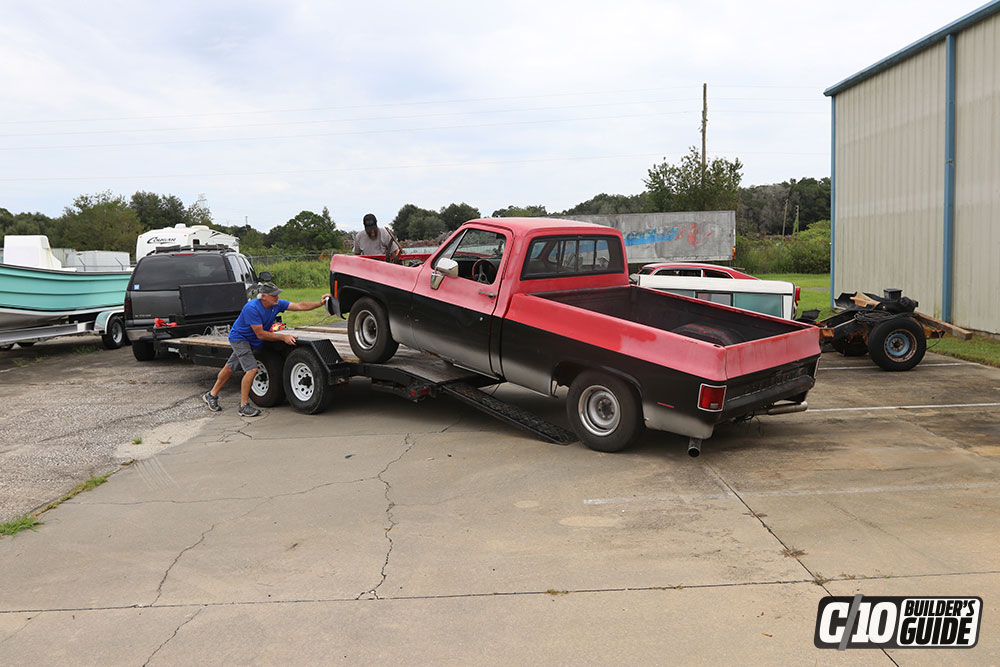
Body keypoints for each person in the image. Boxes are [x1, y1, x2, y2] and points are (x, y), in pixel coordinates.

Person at [203, 282, 330, 416]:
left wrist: (320, 303)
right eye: (273, 295)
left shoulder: (276, 304)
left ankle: (211, 395)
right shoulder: (251, 308)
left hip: (252, 339)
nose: (276, 297)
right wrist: (283, 337)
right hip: (240, 338)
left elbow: (298, 306)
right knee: (252, 369)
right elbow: (261, 334)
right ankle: (243, 406)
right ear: (263, 296)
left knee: (230, 367)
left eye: (277, 295)